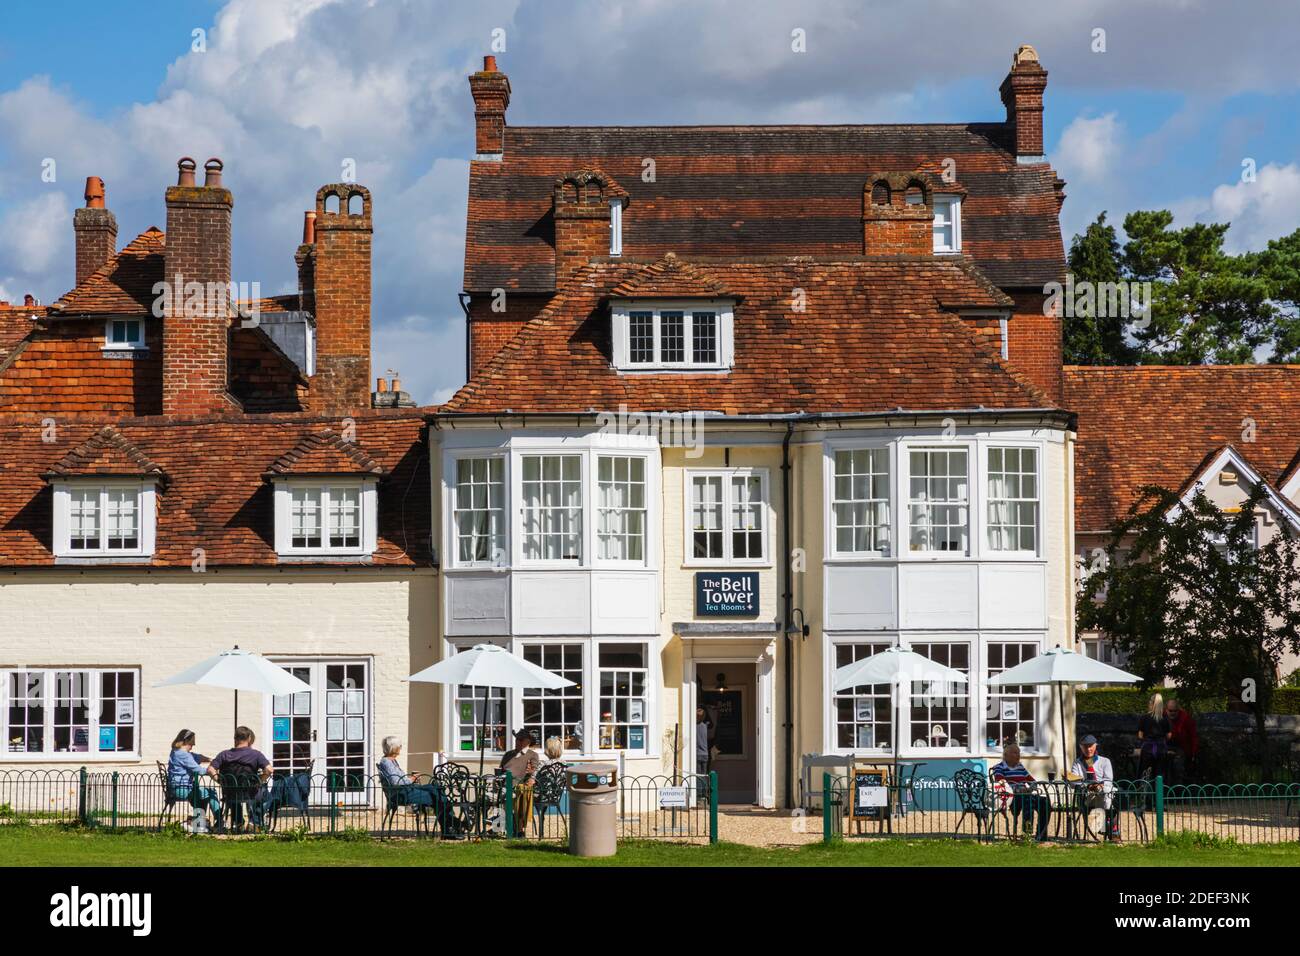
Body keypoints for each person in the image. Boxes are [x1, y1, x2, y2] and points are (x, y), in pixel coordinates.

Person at [378, 736, 463, 838]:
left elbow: (398, 779)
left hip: (406, 789)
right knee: (437, 796)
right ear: (393, 747)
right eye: (399, 746)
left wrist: (410, 778)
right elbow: (396, 781)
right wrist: (411, 779)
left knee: (436, 788)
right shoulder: (387, 762)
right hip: (401, 794)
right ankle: (451, 826)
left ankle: (450, 826)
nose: (400, 748)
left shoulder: (391, 761)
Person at [209, 726, 273, 831]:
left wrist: (221, 781)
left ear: (235, 738)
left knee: (235, 794)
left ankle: (238, 823)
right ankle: (254, 822)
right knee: (265, 792)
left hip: (230, 792)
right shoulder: (256, 754)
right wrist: (259, 780)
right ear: (249, 738)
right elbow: (269, 770)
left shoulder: (224, 754)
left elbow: (210, 769)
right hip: (251, 791)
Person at [167, 729, 225, 834]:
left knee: (203, 794)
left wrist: (210, 760)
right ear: (186, 742)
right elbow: (198, 770)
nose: (192, 746)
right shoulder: (183, 755)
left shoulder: (176, 751)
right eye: (192, 744)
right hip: (182, 789)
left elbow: (197, 757)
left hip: (178, 787)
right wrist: (212, 770)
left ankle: (199, 823)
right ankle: (219, 822)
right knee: (210, 792)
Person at [990, 743, 1050, 840]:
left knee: (1045, 802)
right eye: (1014, 753)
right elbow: (1002, 783)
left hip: (1025, 795)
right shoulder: (999, 767)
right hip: (1011, 798)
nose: (1018, 755)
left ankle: (1041, 834)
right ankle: (1027, 834)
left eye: (1018, 753)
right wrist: (1017, 789)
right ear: (1006, 755)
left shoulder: (1020, 767)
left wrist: (1032, 787)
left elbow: (1032, 781)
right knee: (1028, 800)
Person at [1071, 734, 1121, 842]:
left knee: (1107, 794)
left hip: (1103, 793)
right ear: (1081, 747)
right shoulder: (1077, 763)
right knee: (1104, 800)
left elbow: (1108, 780)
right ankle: (1109, 828)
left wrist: (1100, 785)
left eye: (1090, 746)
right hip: (1087, 796)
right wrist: (1088, 785)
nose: (1088, 749)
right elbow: (1075, 782)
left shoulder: (1104, 761)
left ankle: (1110, 828)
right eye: (1085, 746)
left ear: (1095, 746)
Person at [499, 729, 541, 835]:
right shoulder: (508, 754)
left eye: (521, 739)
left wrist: (530, 774)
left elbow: (534, 772)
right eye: (517, 739)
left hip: (516, 787)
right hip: (501, 784)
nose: (518, 741)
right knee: (482, 798)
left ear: (528, 742)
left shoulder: (532, 755)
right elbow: (500, 770)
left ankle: (515, 828)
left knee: (510, 796)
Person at [1137, 692, 1171, 779]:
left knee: (1146, 774)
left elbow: (1140, 735)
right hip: (1161, 749)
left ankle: (1146, 792)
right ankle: (1160, 792)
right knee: (1160, 774)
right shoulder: (1165, 719)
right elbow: (1169, 735)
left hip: (1148, 748)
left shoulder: (1144, 717)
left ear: (1151, 703)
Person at [1166, 698, 1199, 782]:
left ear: (1178, 710)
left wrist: (1193, 753)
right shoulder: (1162, 717)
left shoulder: (1186, 718)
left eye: (1175, 711)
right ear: (1166, 710)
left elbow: (1193, 736)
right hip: (1165, 746)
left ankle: (1178, 790)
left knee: (1178, 769)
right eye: (1170, 711)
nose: (1173, 713)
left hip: (1181, 747)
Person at [695, 707, 712, 796]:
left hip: (697, 754)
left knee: (698, 775)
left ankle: (699, 794)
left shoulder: (693, 727)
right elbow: (710, 721)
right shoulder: (706, 725)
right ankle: (705, 793)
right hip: (705, 754)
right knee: (705, 774)